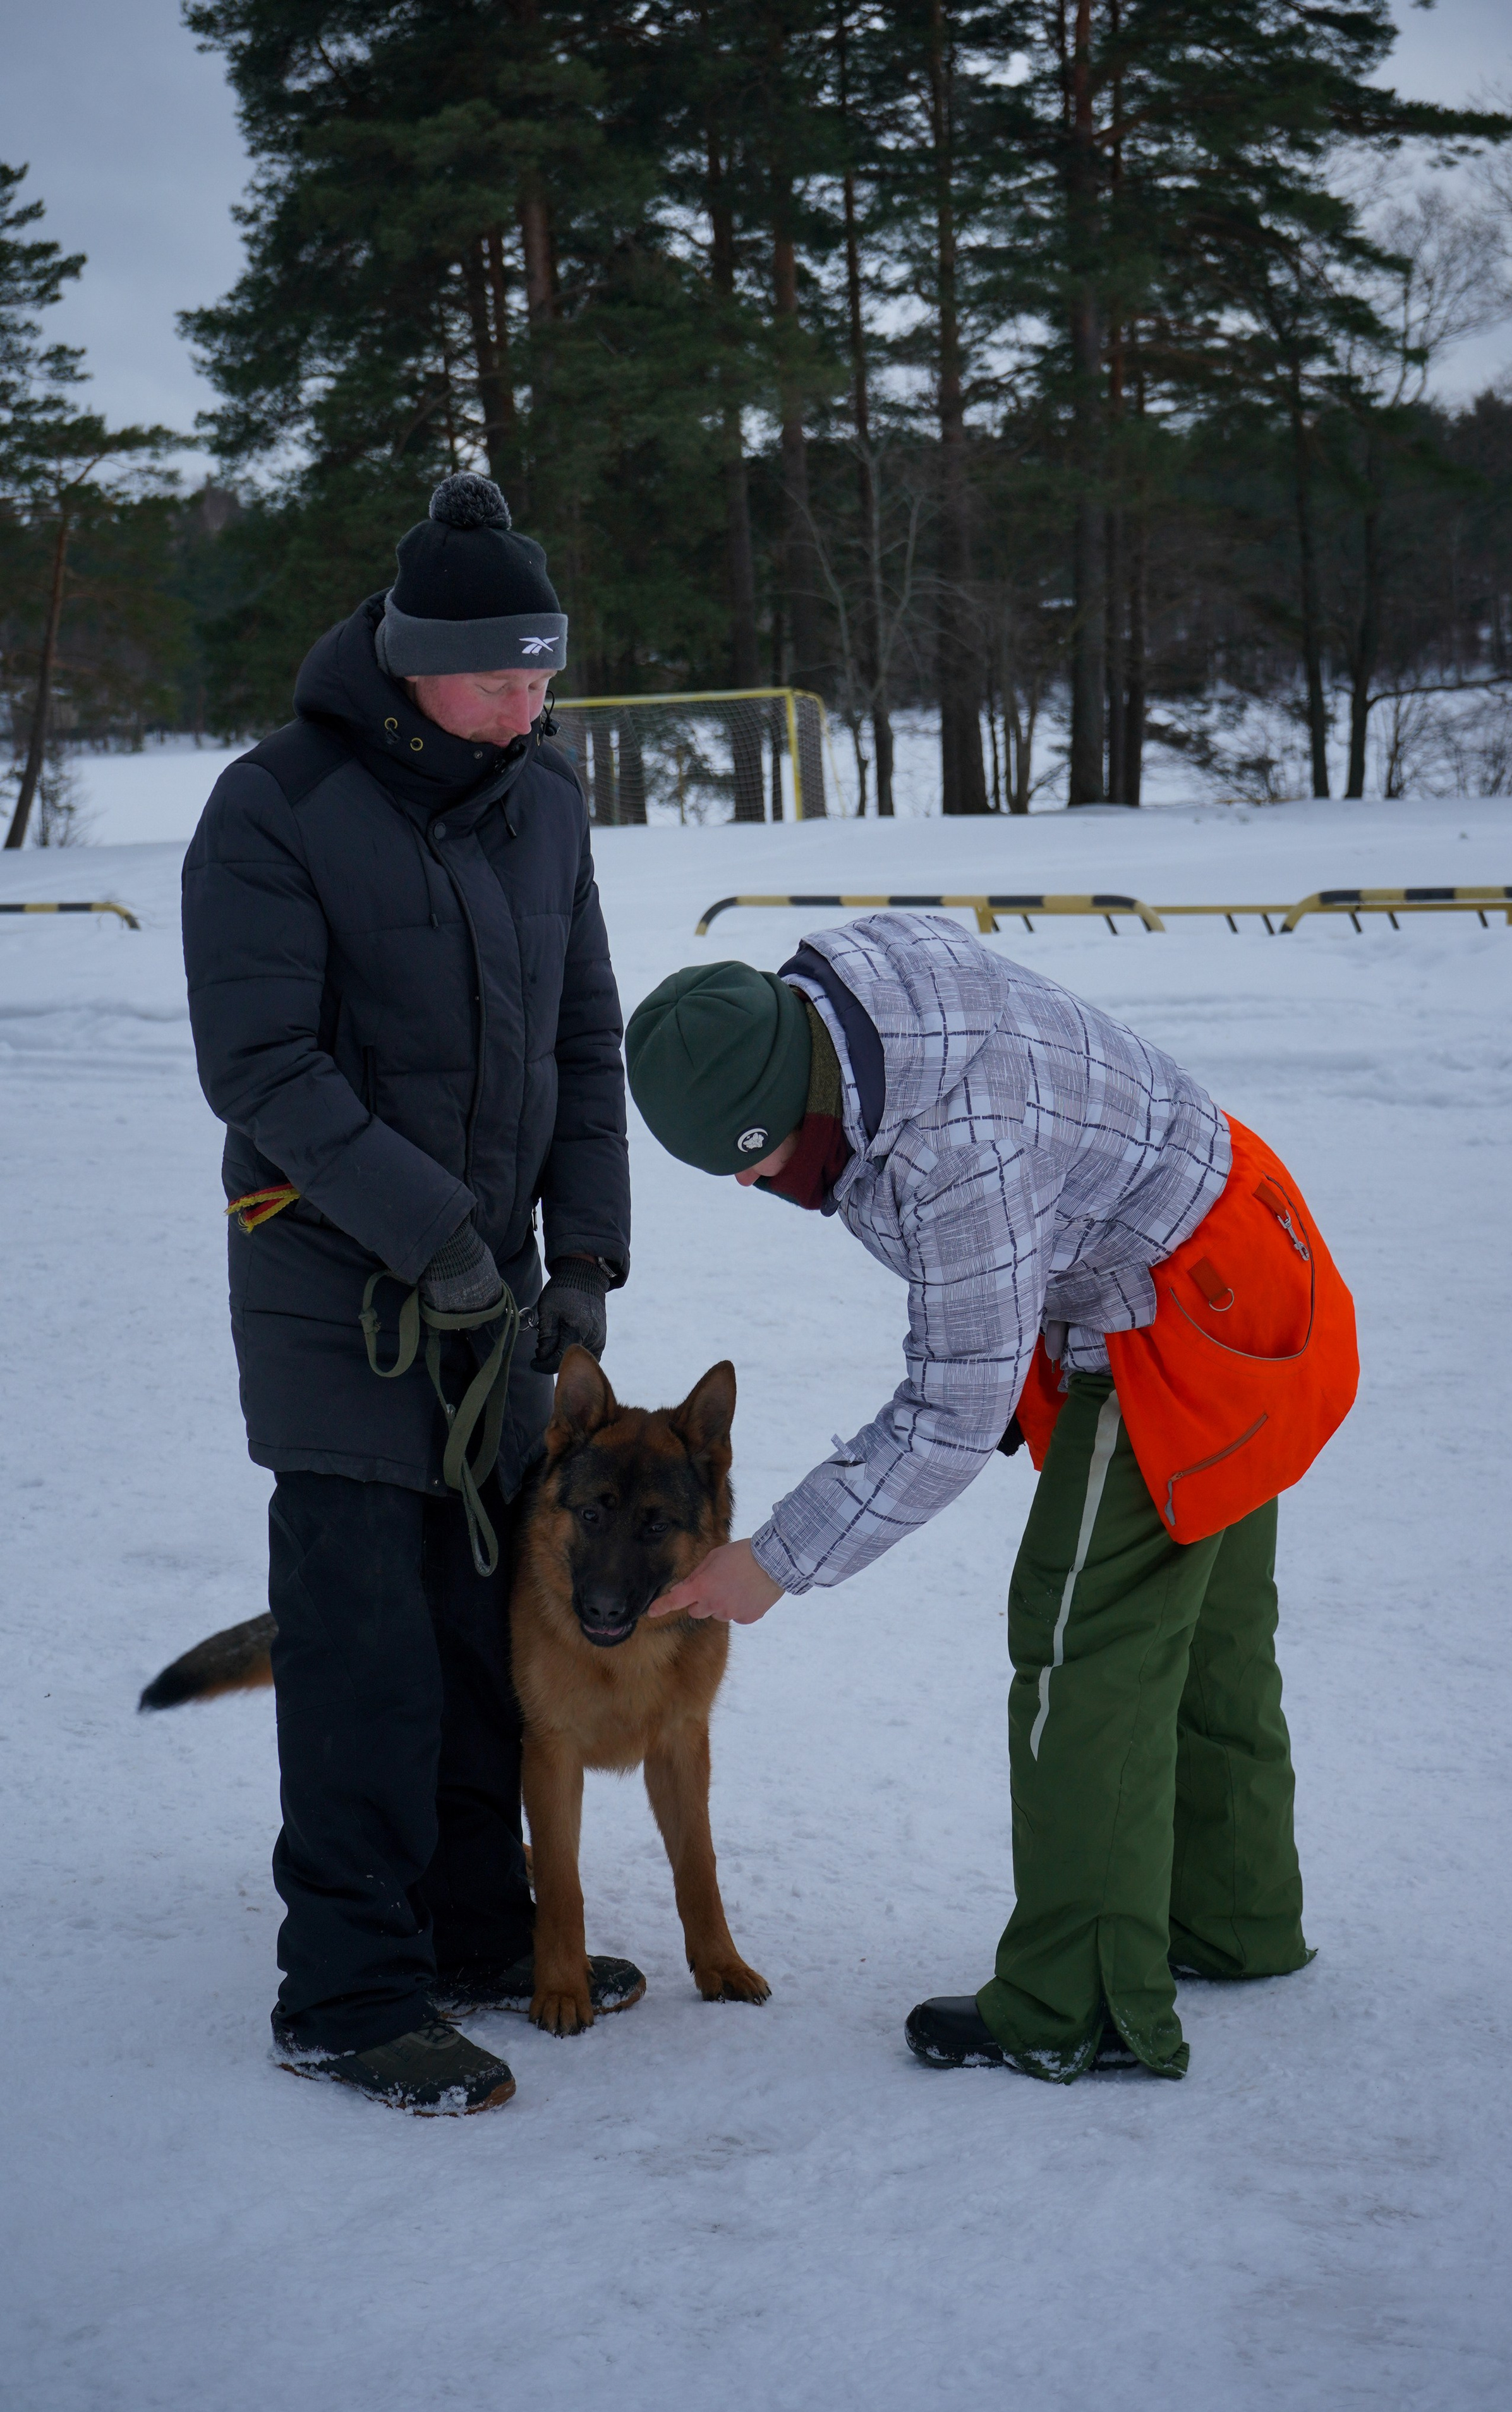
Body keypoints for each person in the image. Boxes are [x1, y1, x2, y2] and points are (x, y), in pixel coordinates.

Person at [625, 913, 1356, 2082]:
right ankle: (1235, 1914)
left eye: (751, 1162)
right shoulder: (848, 1010)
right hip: (1244, 1243)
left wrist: (771, 1561)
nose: (754, 1188)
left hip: (1174, 1316)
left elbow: (956, 1405)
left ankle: (1085, 2002)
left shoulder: (954, 1146)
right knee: (1208, 1630)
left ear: (788, 1112)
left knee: (1083, 1640)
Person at [182, 474, 634, 2114]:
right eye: (502, 674)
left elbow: (588, 1038)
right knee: (368, 1645)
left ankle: (470, 1929)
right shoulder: (276, 807)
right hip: (336, 1296)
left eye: (545, 672)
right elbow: (263, 1062)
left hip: (496, 1301)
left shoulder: (550, 803)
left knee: (478, 1628)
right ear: (411, 658)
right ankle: (348, 1988)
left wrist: (577, 1260)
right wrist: (432, 1233)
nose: (531, 701)